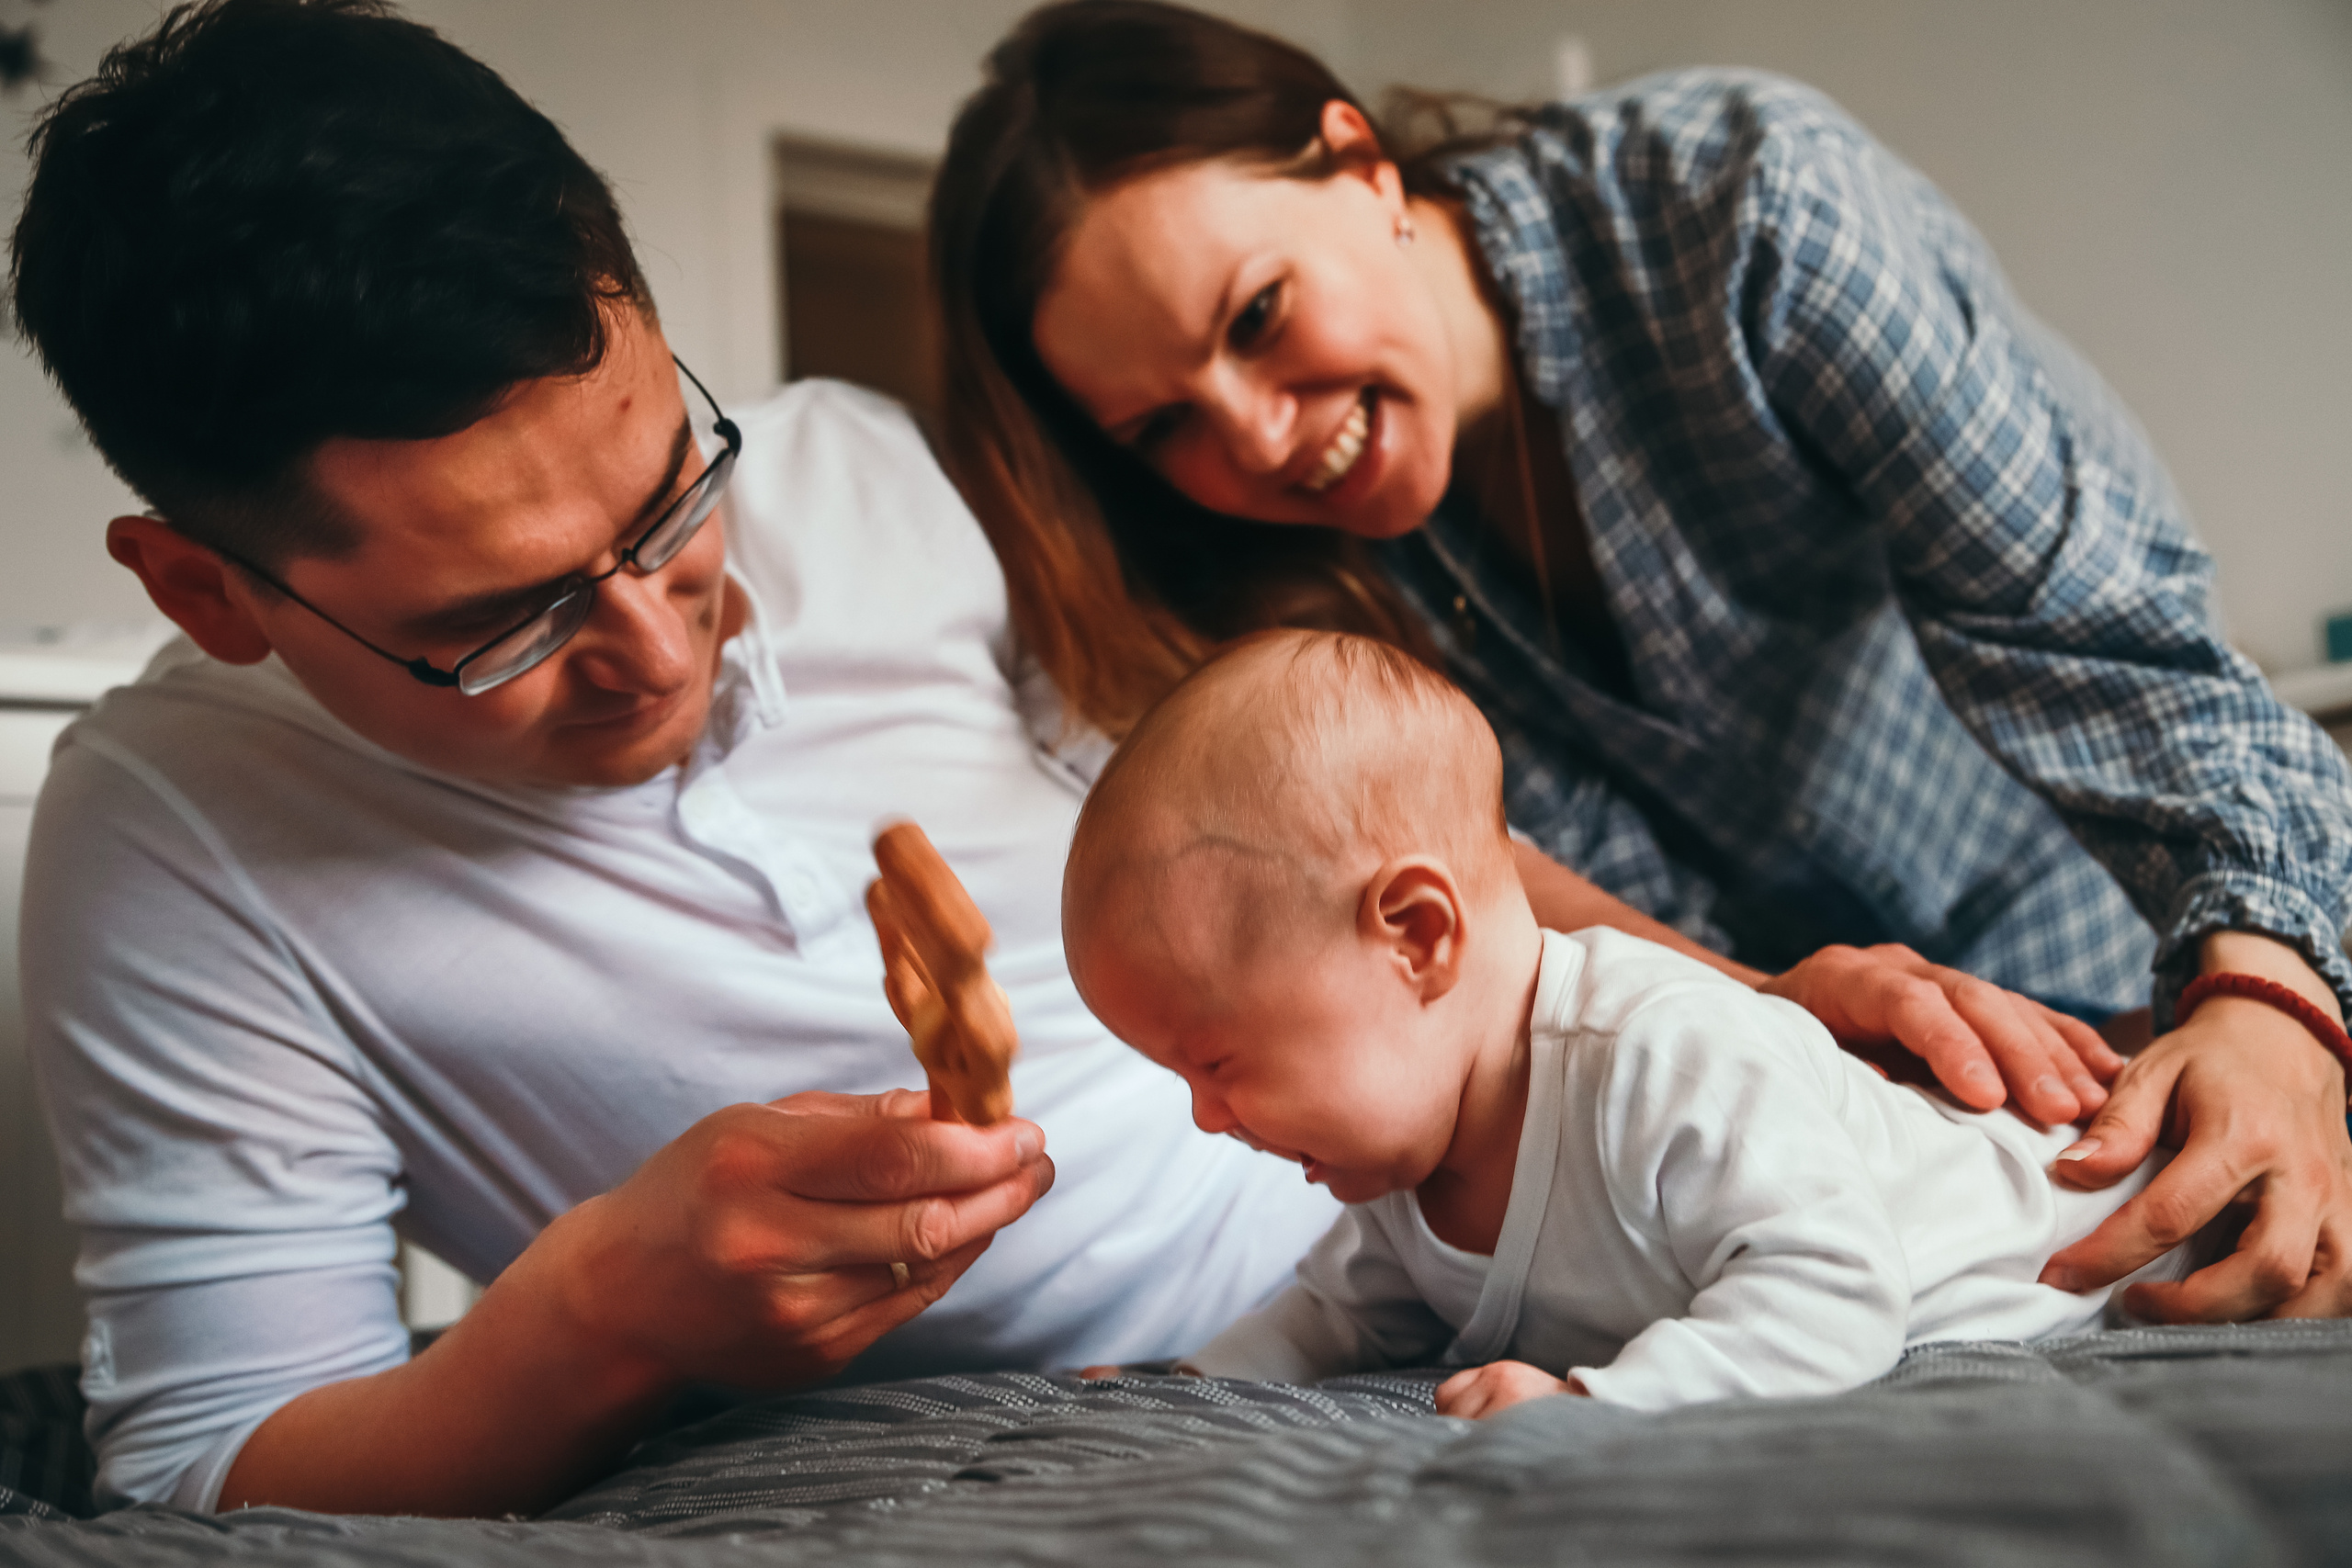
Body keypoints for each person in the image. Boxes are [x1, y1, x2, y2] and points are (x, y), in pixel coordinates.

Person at [0, 0, 2278, 1525]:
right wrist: (610, 1307)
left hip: (1489, 1221)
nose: (660, 632)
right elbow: (215, 1458)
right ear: (212, 590)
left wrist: (1746, 1000)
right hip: (1187, 1384)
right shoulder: (168, 846)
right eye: (497, 617)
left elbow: (1352, 827)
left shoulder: (871, 476)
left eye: (668, 495)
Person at [929, 0, 2352, 1324]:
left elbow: (2106, 640)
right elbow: (1499, 902)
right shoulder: (1273, 613)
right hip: (1809, 1096)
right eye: (1161, 427)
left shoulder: (1750, 210)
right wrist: (1777, 1013)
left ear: (1360, 165)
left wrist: (2269, 996)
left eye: (1256, 318)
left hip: (2114, 961)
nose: (1253, 440)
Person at [1064, 629, 2209, 1417]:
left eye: (1215, 1062)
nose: (1210, 1119)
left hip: (2113, 1219)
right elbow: (1327, 1320)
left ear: (1416, 936)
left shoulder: (1662, 1057)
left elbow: (1836, 1294)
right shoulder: (1405, 1171)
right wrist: (1192, 1382)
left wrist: (1602, 1403)